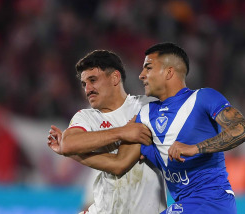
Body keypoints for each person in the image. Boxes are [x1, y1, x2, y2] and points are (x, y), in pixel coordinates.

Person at [70, 43, 245, 214]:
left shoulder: (203, 98)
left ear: (169, 72)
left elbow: (244, 129)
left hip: (213, 201)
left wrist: (194, 148)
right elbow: (119, 163)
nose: (141, 75)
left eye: (148, 67)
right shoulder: (145, 113)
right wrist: (75, 154)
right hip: (183, 204)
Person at [47, 50, 167, 214]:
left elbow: (120, 164)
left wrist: (73, 153)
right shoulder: (85, 116)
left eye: (93, 80)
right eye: (84, 84)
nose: (87, 89)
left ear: (115, 78)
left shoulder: (147, 106)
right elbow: (69, 143)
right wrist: (122, 132)